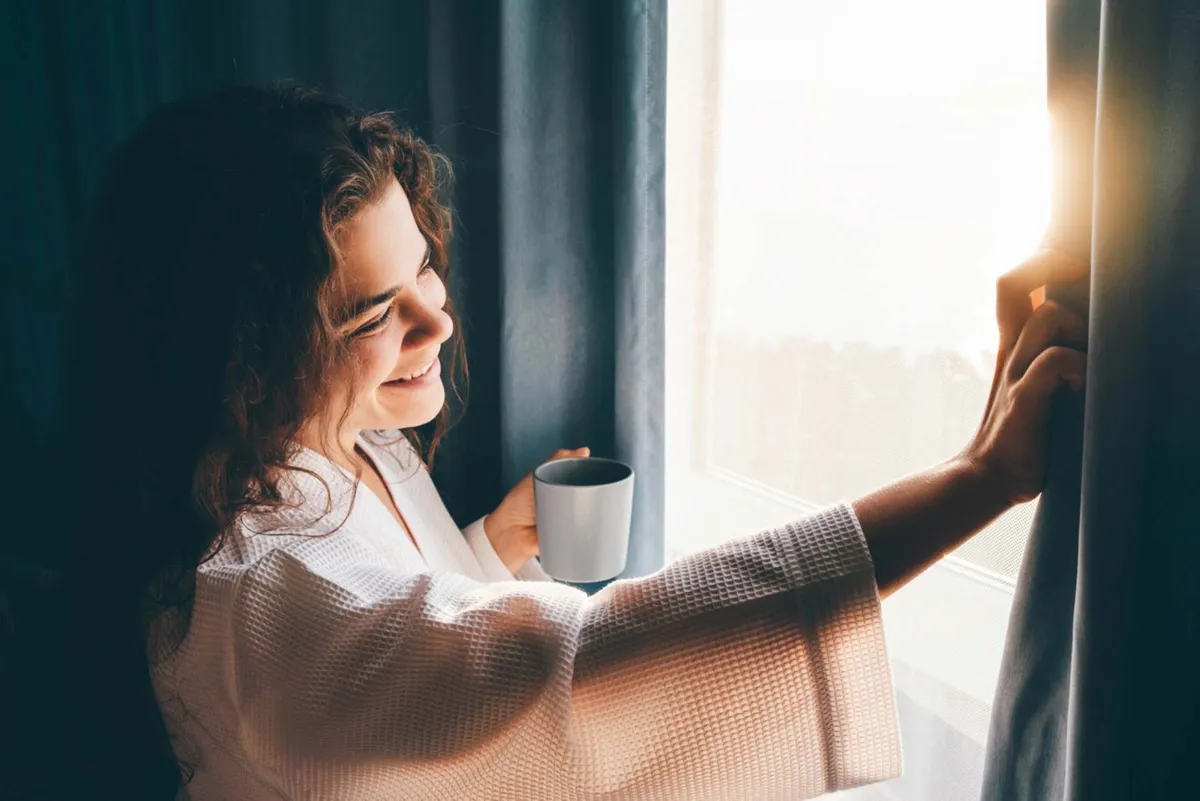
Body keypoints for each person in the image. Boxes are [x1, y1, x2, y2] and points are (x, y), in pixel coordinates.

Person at [64, 86, 1087, 800]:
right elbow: (574, 674)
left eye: (424, 267)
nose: (438, 321)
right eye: (373, 314)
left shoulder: (337, 443)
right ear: (245, 355)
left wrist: (488, 547)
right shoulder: (262, 589)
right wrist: (978, 479)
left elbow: (405, 638)